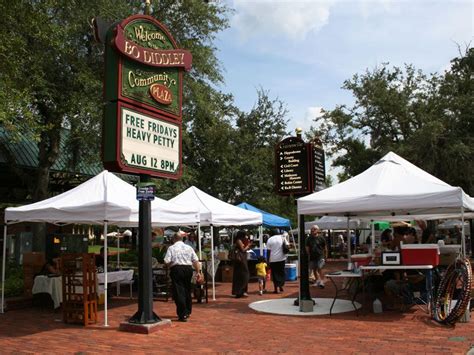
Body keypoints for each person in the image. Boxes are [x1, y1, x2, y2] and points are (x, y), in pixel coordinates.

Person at [164, 231, 203, 322]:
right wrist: (198, 272)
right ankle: (188, 310)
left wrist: (169, 265)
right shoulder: (189, 247)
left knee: (179, 291)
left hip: (177, 269)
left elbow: (167, 261)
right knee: (187, 289)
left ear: (174, 239)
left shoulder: (171, 248)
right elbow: (195, 261)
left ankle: (182, 313)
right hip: (188, 269)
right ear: (182, 239)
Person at [231, 230, 252, 298]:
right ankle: (239, 291)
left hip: (242, 259)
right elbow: (243, 250)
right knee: (243, 275)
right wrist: (248, 246)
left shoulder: (241, 240)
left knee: (242, 275)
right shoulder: (239, 240)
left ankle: (242, 291)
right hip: (240, 260)